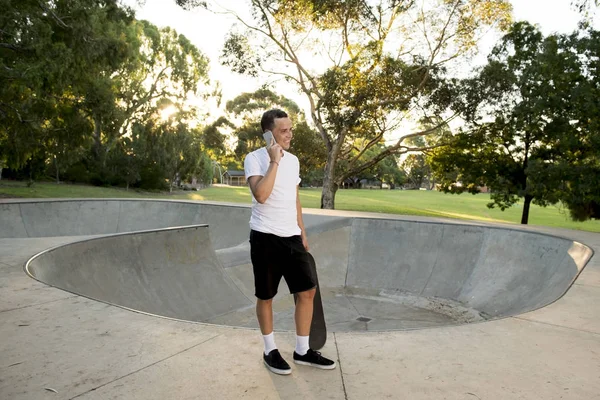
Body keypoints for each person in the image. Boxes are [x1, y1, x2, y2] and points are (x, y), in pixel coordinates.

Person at [244, 109, 336, 375]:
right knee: (266, 296)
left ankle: (302, 350)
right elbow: (261, 195)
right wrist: (274, 162)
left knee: (307, 291)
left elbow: (294, 198)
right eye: (284, 130)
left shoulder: (294, 161)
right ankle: (270, 350)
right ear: (268, 133)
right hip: (264, 237)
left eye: (290, 129)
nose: (290, 135)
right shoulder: (255, 159)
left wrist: (302, 231)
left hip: (292, 237)